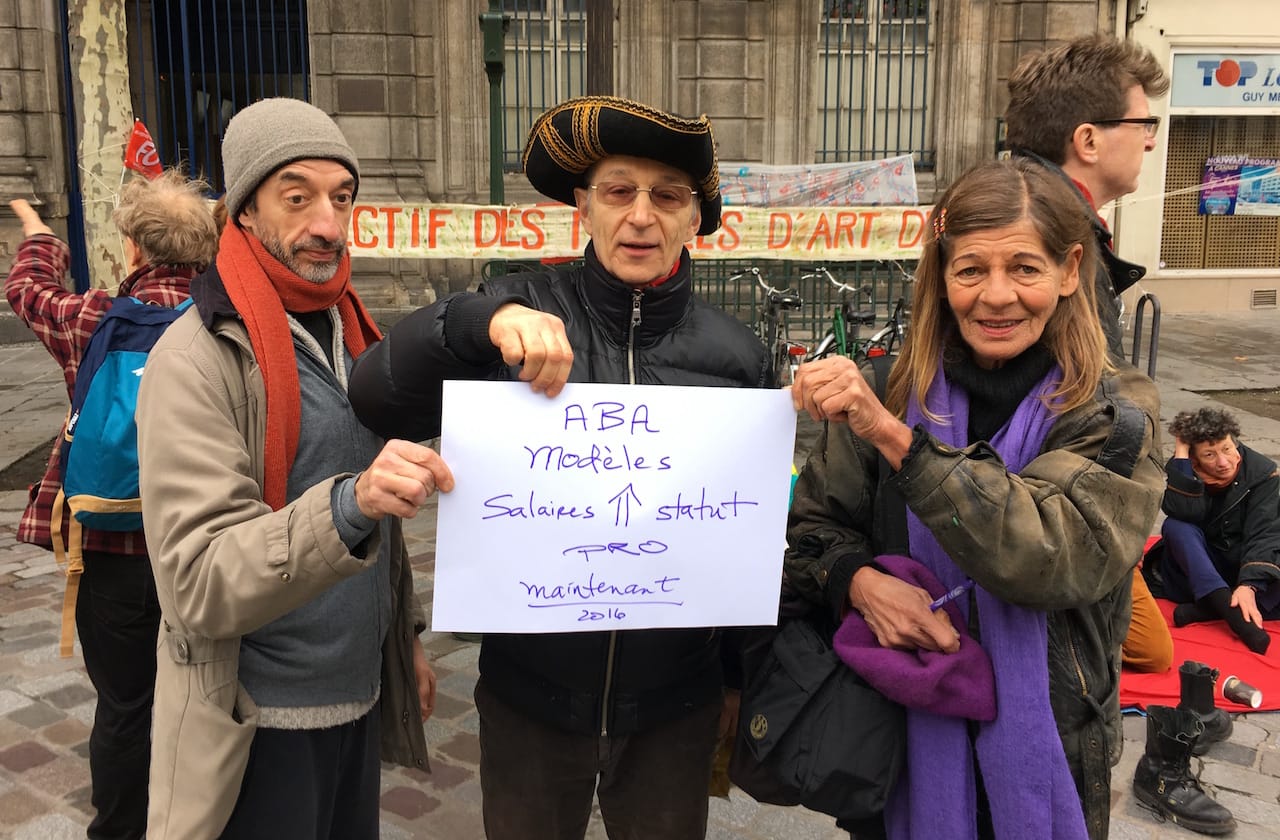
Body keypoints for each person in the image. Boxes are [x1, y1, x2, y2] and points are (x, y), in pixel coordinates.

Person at [347, 95, 771, 840]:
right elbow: (377, 395)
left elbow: (747, 538)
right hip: (530, 706)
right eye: (618, 191)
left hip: (676, 710)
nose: (641, 215)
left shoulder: (740, 360)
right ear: (585, 207)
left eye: (667, 196)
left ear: (693, 220)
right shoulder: (521, 311)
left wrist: (736, 676)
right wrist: (477, 321)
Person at [784, 157, 1164, 840]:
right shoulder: (893, 389)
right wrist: (858, 582)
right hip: (897, 729)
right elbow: (812, 529)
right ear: (942, 276)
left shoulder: (1115, 410)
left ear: (1069, 270)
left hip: (1053, 735)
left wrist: (900, 444)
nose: (996, 296)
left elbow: (1053, 553)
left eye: (1024, 268)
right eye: (971, 271)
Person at [134, 98, 454, 840]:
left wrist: (401, 636)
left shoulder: (354, 329)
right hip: (258, 724)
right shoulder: (194, 359)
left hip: (360, 699)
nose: (328, 224)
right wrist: (350, 503)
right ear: (245, 211)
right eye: (298, 197)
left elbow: (379, 515)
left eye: (342, 197)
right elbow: (199, 579)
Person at [4, 173, 217, 840]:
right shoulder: (230, 322)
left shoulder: (92, 319)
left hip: (112, 549)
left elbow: (27, 292)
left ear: (132, 248)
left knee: (125, 704)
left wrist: (40, 237)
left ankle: (122, 828)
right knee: (211, 695)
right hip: (207, 550)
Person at [1005, 32, 1173, 676]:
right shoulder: (1050, 233)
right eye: (1143, 122)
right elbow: (1074, 398)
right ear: (1089, 140)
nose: (1152, 138)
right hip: (1051, 522)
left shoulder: (1041, 215)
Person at [1143, 407, 1280, 654]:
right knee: (1176, 527)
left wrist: (1250, 584)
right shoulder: (1185, 469)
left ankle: (1212, 608)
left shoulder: (1263, 473)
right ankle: (1230, 612)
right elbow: (1183, 512)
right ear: (1195, 460)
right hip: (1198, 569)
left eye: (1227, 448)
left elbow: (1265, 532)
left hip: (1243, 567)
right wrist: (1182, 454)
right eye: (1209, 454)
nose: (1223, 462)